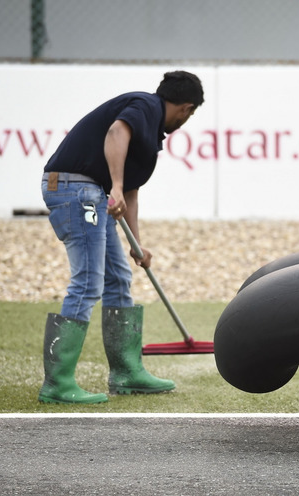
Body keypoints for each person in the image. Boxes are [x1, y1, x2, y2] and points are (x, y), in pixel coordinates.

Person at [38, 71, 204, 404]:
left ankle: (126, 373)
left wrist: (136, 244)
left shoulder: (151, 134)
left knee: (119, 276)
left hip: (92, 193)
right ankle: (57, 384)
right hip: (76, 188)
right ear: (186, 108)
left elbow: (130, 191)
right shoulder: (145, 106)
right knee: (88, 282)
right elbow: (116, 132)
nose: (186, 120)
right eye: (190, 114)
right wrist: (113, 185)